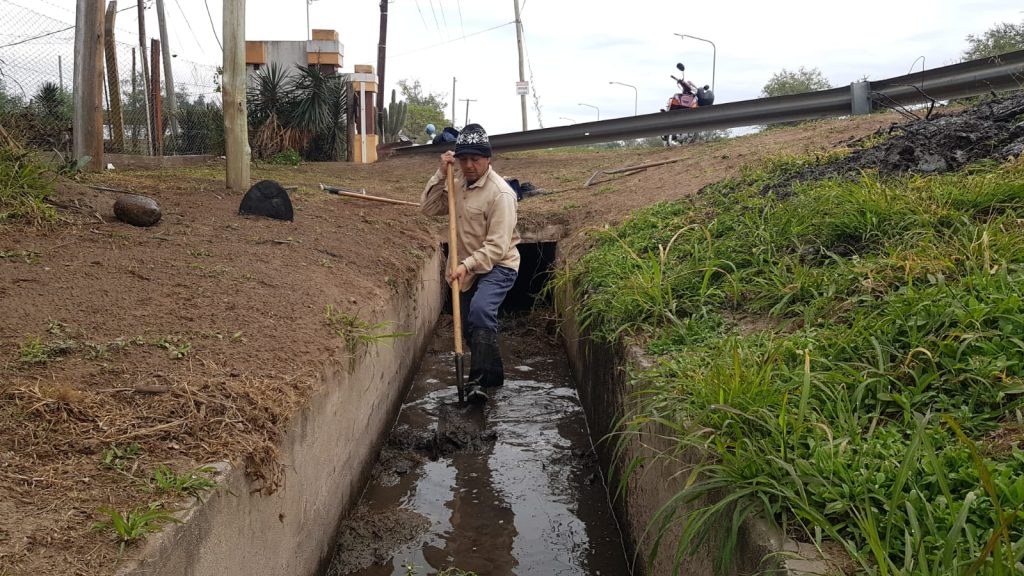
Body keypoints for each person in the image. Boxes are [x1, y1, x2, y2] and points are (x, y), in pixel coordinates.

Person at [421, 123, 521, 396]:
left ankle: (478, 382)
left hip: (498, 264)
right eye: (463, 159)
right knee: (467, 327)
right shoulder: (456, 185)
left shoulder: (501, 194)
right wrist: (441, 174)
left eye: (475, 159)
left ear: (488, 159)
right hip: (465, 267)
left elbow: (498, 247)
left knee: (480, 311)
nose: (468, 165)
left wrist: (466, 265)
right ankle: (493, 377)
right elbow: (428, 208)